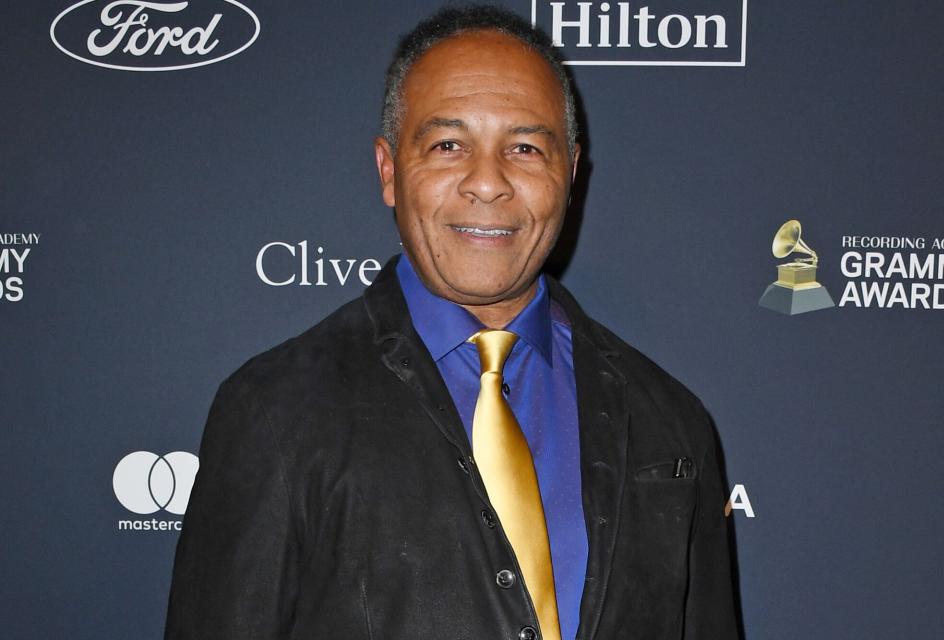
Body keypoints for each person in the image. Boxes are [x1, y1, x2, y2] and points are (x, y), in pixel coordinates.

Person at [165, 6, 739, 640]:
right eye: (448, 145)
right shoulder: (274, 411)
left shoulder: (669, 418)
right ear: (389, 170)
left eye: (524, 147)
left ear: (570, 174)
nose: (487, 183)